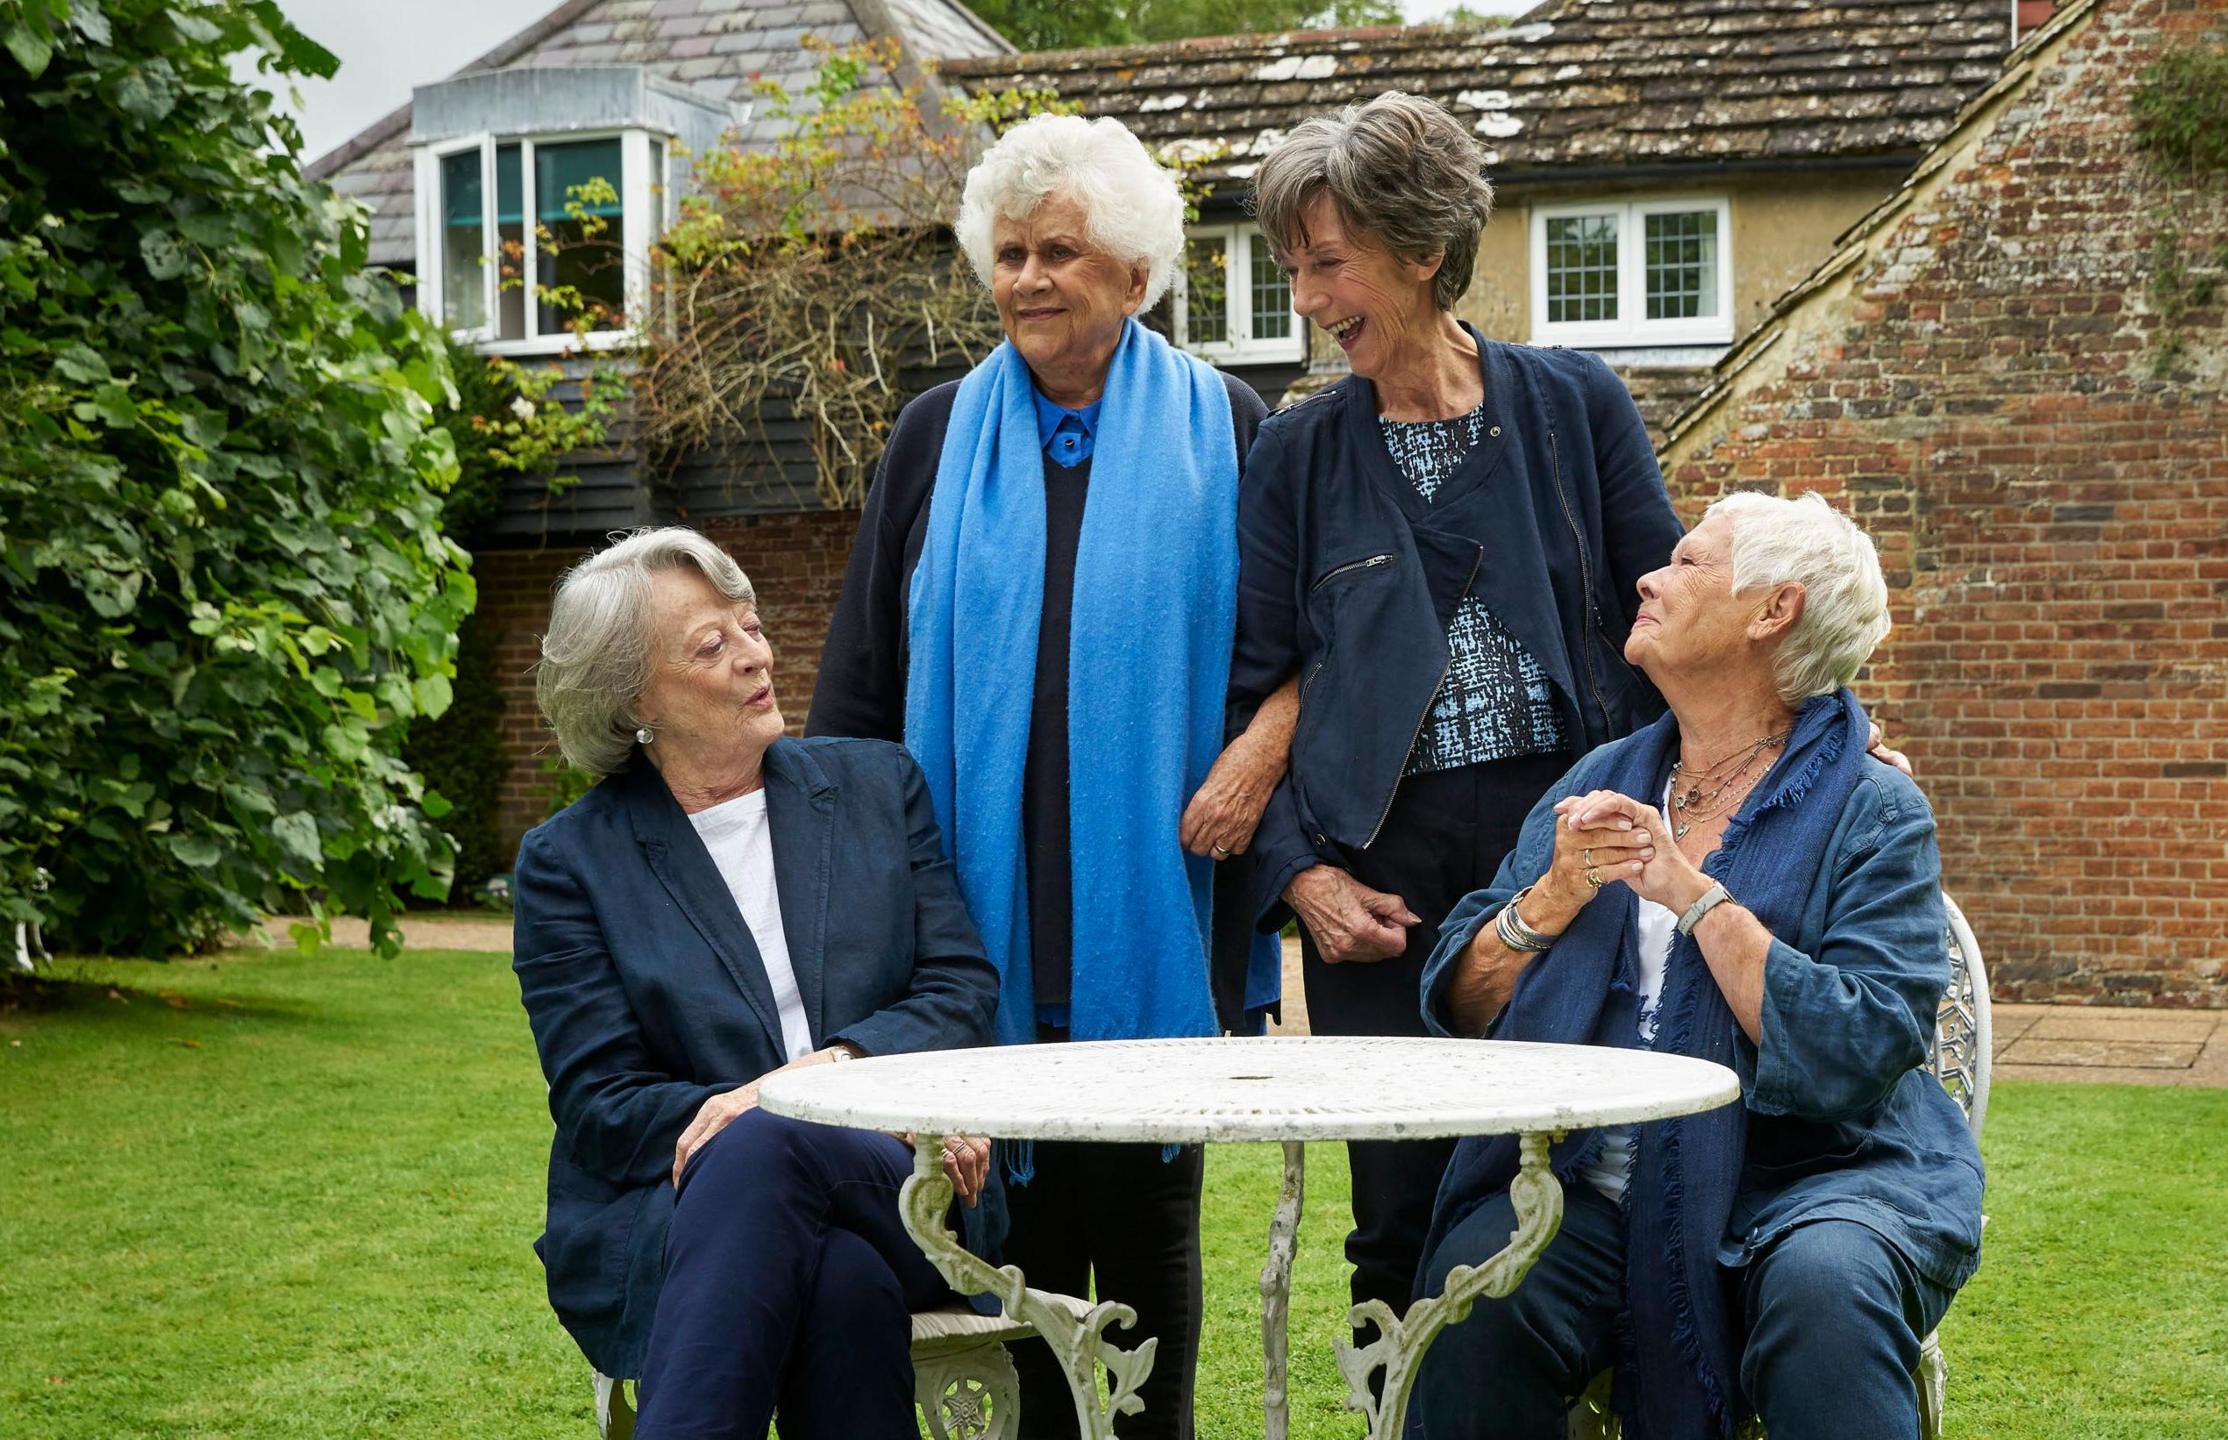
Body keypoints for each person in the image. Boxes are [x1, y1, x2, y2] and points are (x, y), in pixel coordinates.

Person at [805, 113, 1293, 1440]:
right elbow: (858, 690)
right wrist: (843, 919)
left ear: (1135, 275)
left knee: (1143, 1328)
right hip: (976, 956)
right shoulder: (931, 437)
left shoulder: (1228, 428)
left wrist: (1261, 753)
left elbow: (1293, 659)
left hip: (1155, 947)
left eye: (1059, 253)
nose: (1026, 278)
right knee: (1006, 1335)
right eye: (1009, 252)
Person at [1228, 91, 1688, 1325]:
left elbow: (1672, 612)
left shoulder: (1571, 405)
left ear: (1423, 248)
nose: (1311, 303)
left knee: (1580, 1177)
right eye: (1293, 271)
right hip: (1380, 875)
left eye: (1328, 264)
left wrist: (1811, 724)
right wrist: (1300, 882)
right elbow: (1249, 687)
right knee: (1397, 1214)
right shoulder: (1297, 450)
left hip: (1564, 843)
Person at [1409, 492, 1986, 1440]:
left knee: (1826, 1288)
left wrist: (1696, 896)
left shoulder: (1875, 808)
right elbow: (1462, 1005)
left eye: (1687, 563)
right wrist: (1547, 900)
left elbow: (1864, 1041)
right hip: (1591, 1172)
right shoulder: (1599, 782)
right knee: (1481, 1289)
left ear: (1773, 611)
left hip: (1816, 1173)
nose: (1649, 576)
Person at [511, 528, 1004, 1440]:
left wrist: (809, 1086)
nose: (756, 655)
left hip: (899, 1177)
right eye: (712, 643)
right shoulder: (569, 863)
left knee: (772, 1140)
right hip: (675, 1209)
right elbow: (601, 1104)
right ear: (631, 699)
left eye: (751, 625)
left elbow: (959, 987)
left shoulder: (875, 786)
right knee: (839, 1283)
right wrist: (765, 1111)